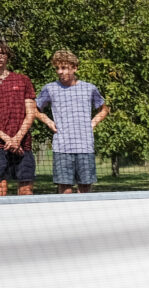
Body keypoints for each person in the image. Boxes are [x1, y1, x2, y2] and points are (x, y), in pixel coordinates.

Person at [33, 50, 107, 194]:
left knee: (84, 189)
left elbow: (104, 109)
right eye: (57, 68)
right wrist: (48, 121)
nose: (60, 72)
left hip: (85, 146)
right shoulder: (50, 88)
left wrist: (93, 123)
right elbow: (34, 109)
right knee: (64, 189)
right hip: (62, 147)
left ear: (75, 67)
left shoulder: (89, 88)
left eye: (64, 67)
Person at [0, 40, 36, 196]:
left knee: (26, 190)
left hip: (23, 144)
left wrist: (18, 138)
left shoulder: (22, 80)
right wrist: (8, 139)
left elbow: (31, 113)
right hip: (1, 145)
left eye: (2, 53)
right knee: (1, 190)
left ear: (8, 56)